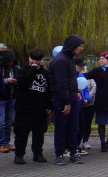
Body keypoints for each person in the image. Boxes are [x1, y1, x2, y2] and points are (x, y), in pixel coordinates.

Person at [12, 49, 52, 164]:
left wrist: (49, 105)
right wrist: (32, 69)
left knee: (39, 133)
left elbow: (49, 90)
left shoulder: (45, 73)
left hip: (40, 109)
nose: (35, 62)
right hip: (24, 108)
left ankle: (37, 153)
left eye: (38, 60)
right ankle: (19, 154)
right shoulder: (22, 71)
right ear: (29, 58)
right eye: (33, 59)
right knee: (22, 133)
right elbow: (23, 83)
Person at [50, 35, 84, 165]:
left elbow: (70, 79)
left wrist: (76, 91)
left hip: (72, 96)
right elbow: (60, 83)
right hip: (62, 98)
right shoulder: (61, 60)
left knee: (73, 126)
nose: (81, 48)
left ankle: (73, 151)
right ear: (73, 46)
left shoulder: (69, 59)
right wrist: (66, 102)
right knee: (61, 126)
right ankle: (59, 154)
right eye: (79, 46)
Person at [0, 48, 19, 154]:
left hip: (12, 97)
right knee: (1, 122)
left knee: (9, 122)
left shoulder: (15, 68)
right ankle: (1, 143)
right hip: (0, 99)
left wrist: (17, 82)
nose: (11, 63)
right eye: (9, 60)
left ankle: (7, 142)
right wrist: (6, 81)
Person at [76, 57, 95, 153]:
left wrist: (86, 98)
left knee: (83, 125)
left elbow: (86, 90)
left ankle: (77, 145)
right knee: (75, 126)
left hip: (83, 105)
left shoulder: (83, 76)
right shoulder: (71, 76)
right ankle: (69, 147)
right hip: (74, 104)